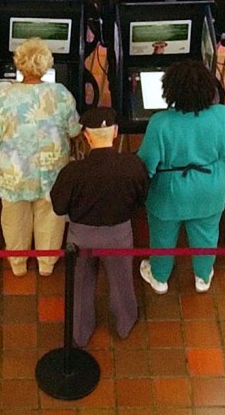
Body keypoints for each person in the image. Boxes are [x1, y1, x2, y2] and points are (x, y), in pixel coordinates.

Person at [137, 60, 225, 294]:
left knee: (162, 236)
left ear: (170, 90)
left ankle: (160, 277)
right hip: (211, 187)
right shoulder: (223, 115)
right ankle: (203, 277)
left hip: (169, 192)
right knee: (206, 234)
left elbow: (147, 163)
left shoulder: (160, 123)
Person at [50, 107, 148, 347]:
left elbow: (59, 207)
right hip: (118, 234)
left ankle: (80, 332)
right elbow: (141, 199)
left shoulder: (72, 172)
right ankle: (125, 322)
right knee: (122, 281)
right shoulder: (132, 165)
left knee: (80, 284)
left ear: (87, 136)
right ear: (115, 132)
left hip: (81, 237)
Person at [0, 38, 81, 276]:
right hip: (52, 170)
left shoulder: (4, 97)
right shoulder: (61, 94)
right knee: (50, 215)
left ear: (19, 65)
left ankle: (18, 264)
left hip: (14, 172)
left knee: (14, 216)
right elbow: (74, 131)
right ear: (47, 64)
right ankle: (46, 264)